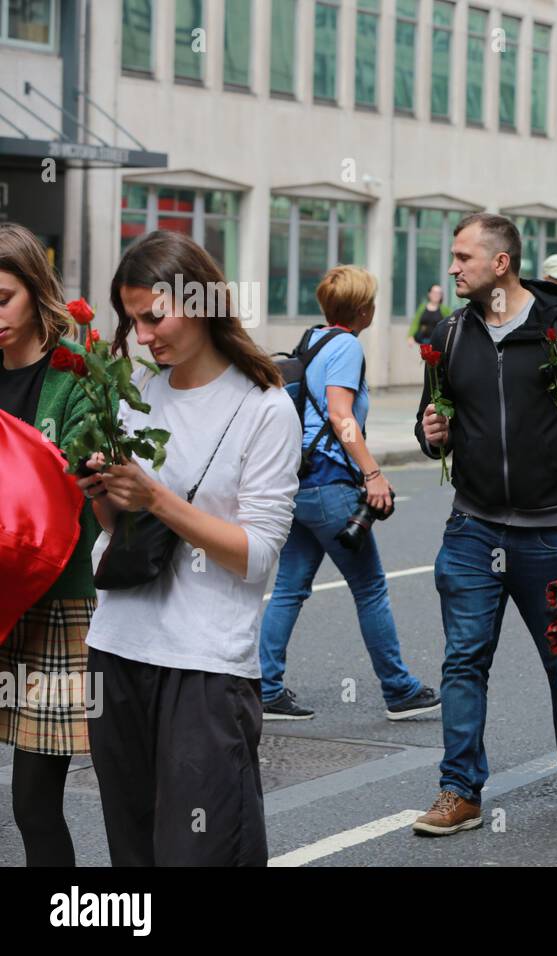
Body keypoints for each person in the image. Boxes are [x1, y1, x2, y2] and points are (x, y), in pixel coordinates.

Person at [77, 231, 301, 865]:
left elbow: (257, 555)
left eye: (154, 315)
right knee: (133, 850)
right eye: (131, 319)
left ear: (201, 303)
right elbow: (117, 535)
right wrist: (105, 493)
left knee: (201, 852)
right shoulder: (139, 395)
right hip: (118, 648)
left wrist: (156, 499)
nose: (143, 335)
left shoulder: (265, 407)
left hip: (205, 666)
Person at [412, 214, 557, 836]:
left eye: (462, 257)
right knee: (463, 661)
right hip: (473, 526)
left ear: (500, 263)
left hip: (551, 528)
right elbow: (435, 419)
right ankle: (460, 790)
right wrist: (428, 433)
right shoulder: (449, 335)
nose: (453, 268)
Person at [259, 266, 440, 721]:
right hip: (328, 485)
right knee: (371, 587)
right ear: (363, 310)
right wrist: (373, 472)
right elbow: (342, 417)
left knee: (288, 587)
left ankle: (264, 686)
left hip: (299, 482)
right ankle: (399, 690)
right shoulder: (344, 346)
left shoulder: (313, 340)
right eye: (374, 302)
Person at [0, 223, 98, 866]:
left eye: (2, 297)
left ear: (37, 291)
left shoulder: (78, 371)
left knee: (33, 801)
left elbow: (102, 496)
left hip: (57, 605)